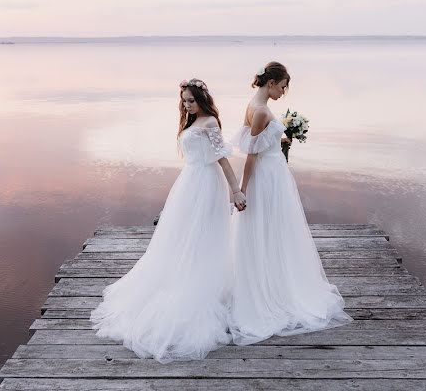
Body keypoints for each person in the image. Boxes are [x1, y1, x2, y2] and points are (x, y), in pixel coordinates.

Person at [90, 78, 246, 363]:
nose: (187, 105)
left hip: (206, 184)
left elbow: (223, 159)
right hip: (189, 182)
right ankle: (178, 276)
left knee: (201, 236)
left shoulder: (210, 123)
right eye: (184, 101)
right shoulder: (190, 122)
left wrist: (236, 191)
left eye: (191, 100)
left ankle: (201, 283)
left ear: (203, 100)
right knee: (179, 236)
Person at [228, 61, 352, 345]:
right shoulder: (260, 110)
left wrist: (280, 137)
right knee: (272, 229)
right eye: (283, 86)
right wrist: (242, 189)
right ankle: (273, 288)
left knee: (273, 230)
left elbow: (261, 143)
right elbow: (251, 155)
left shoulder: (255, 105)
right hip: (267, 178)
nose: (284, 92)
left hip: (273, 173)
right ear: (271, 83)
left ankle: (272, 276)